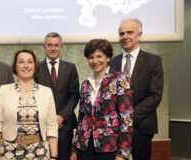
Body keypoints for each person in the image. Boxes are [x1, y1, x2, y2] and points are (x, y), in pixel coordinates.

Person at [70, 39, 133, 160]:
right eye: (91, 57)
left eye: (99, 56)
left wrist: (123, 153)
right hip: (85, 147)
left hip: (109, 147)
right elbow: (82, 118)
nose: (95, 61)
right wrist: (75, 148)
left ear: (108, 57)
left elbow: (126, 119)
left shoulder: (120, 80)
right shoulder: (85, 84)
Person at [110, 18, 164, 160]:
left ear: (139, 35)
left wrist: (129, 117)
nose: (125, 36)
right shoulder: (111, 62)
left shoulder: (153, 61)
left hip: (141, 127)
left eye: (129, 32)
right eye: (121, 33)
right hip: (115, 129)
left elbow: (155, 96)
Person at [0, 49, 58, 160]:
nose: (26, 65)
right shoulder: (4, 90)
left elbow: (52, 126)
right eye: (21, 62)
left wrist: (54, 157)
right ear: (15, 67)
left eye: (30, 62)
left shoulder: (46, 92)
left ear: (35, 66)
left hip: (40, 152)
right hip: (9, 152)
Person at [34, 32, 80, 160]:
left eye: (56, 45)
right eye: (49, 45)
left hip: (64, 125)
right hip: (41, 125)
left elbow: (75, 95)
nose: (53, 48)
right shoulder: (36, 68)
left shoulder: (70, 67)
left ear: (61, 47)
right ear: (44, 47)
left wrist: (61, 116)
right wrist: (48, 118)